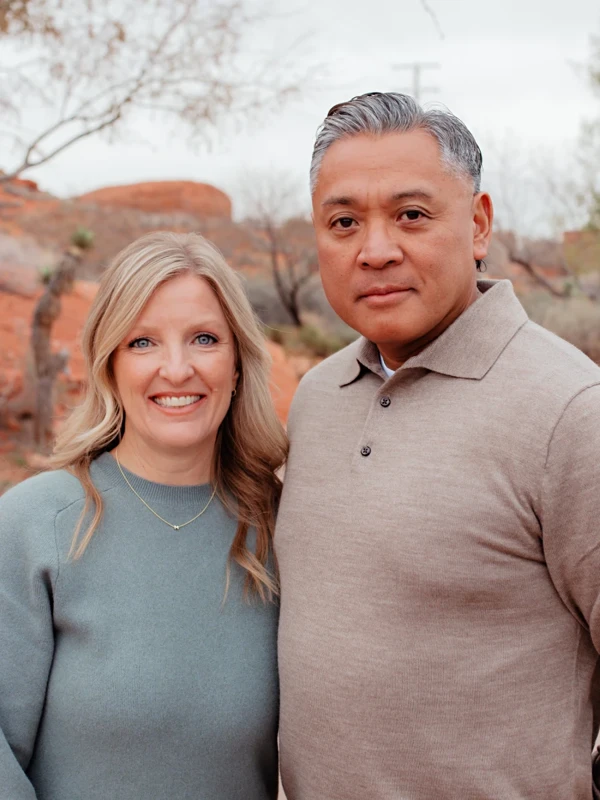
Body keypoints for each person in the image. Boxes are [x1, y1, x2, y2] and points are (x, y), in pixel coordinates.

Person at [275, 92, 600, 799]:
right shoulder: (316, 399)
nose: (376, 249)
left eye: (412, 215)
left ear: (478, 225)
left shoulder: (573, 413)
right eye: (344, 222)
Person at [0, 231, 287, 800]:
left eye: (204, 338)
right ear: (109, 365)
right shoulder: (37, 524)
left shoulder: (281, 528)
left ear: (236, 363)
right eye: (143, 343)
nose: (176, 369)